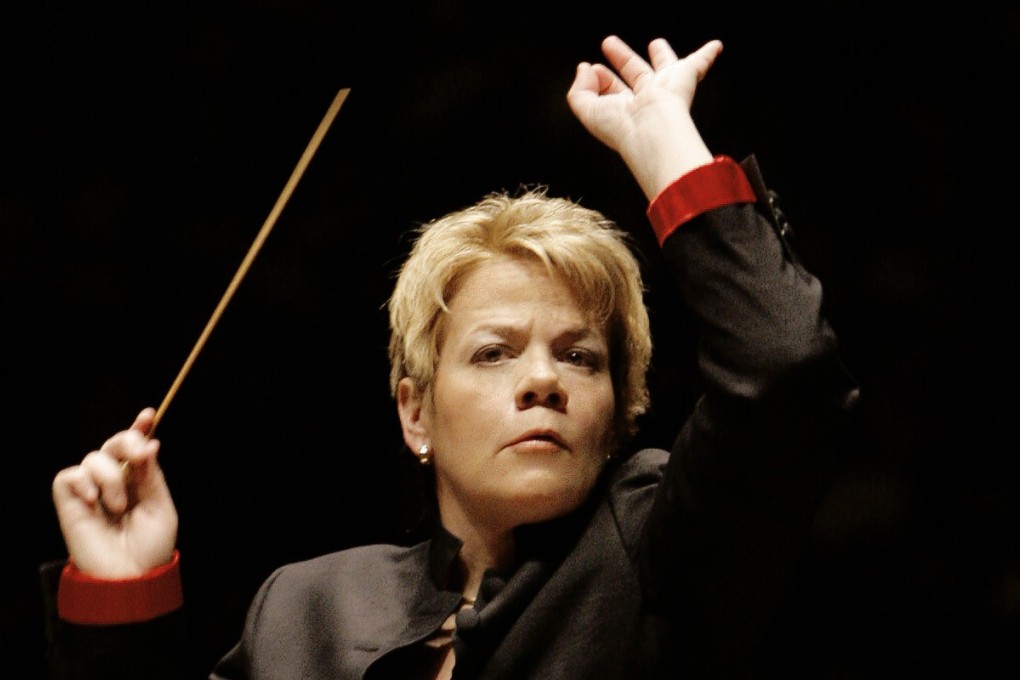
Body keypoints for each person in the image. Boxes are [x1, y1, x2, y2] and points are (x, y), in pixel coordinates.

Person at [41, 34, 859, 679]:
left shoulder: (657, 555)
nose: (542, 379)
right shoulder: (307, 609)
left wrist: (666, 149)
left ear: (620, 410)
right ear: (414, 410)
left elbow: (783, 370)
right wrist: (122, 595)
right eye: (494, 352)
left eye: (579, 357)